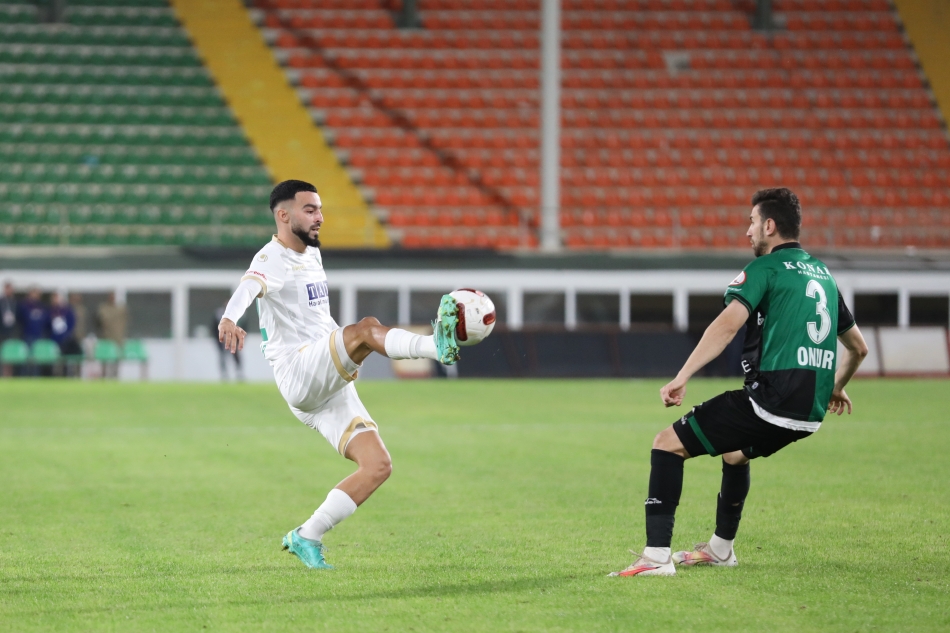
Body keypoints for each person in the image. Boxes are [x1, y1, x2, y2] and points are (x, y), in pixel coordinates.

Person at [611, 188, 869, 577]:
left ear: (770, 225)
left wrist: (683, 376)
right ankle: (720, 550)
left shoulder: (766, 269)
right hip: (809, 414)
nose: (748, 231)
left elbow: (727, 325)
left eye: (752, 222)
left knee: (666, 443)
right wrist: (835, 385)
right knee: (735, 454)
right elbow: (859, 348)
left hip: (771, 401)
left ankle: (656, 557)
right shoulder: (824, 275)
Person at [218, 180, 463, 570]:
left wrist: (340, 352)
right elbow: (250, 285)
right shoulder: (272, 257)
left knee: (378, 465)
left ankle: (307, 535)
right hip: (299, 370)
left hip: (325, 382)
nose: (320, 217)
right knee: (366, 329)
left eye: (320, 209)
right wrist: (230, 317)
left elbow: (315, 317)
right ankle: (436, 347)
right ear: (283, 215)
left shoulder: (311, 254)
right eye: (310, 210)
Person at [213, 302, 244, 382]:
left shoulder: (238, 314)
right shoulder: (219, 315)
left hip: (233, 340)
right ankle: (224, 374)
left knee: (236, 356)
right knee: (223, 357)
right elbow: (214, 328)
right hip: (222, 341)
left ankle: (239, 372)